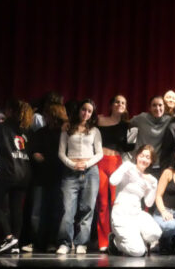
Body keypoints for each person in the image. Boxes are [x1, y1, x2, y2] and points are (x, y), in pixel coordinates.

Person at [57, 99, 103, 255]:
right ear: (79, 110)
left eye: (89, 111)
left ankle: (81, 243)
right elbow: (61, 152)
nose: (86, 113)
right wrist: (72, 164)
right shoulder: (67, 128)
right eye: (84, 109)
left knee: (87, 209)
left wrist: (87, 164)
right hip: (70, 172)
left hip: (90, 172)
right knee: (67, 209)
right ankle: (65, 242)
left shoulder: (95, 130)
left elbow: (99, 153)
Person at [0, 99, 34, 255]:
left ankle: (9, 237)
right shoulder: (27, 131)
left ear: (10, 111)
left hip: (7, 172)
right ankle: (15, 243)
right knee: (17, 209)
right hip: (24, 174)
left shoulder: (1, 128)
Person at [28, 103, 67, 253]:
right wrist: (36, 155)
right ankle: (35, 241)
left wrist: (44, 158)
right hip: (41, 176)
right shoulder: (40, 132)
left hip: (58, 176)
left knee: (55, 211)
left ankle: (51, 242)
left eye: (47, 115)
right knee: (37, 212)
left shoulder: (63, 132)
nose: (44, 117)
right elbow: (34, 152)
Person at [96, 95, 134, 253]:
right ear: (111, 105)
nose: (120, 104)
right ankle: (103, 240)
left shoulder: (127, 125)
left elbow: (128, 147)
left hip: (116, 163)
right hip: (100, 161)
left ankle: (118, 238)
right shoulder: (99, 120)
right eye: (117, 102)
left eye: (123, 102)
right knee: (102, 203)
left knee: (116, 202)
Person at [110, 144, 161, 257]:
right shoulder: (128, 167)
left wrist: (154, 185)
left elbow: (148, 203)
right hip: (121, 213)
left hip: (136, 213)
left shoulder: (150, 179)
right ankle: (115, 242)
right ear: (137, 156)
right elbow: (112, 181)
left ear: (151, 161)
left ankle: (136, 239)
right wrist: (125, 167)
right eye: (142, 156)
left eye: (148, 157)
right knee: (138, 251)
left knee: (155, 233)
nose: (144, 159)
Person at [129, 95, 172, 179]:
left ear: (164, 107)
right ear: (149, 108)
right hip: (140, 164)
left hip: (157, 167)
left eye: (160, 105)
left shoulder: (169, 120)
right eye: (154, 105)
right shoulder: (141, 118)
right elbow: (126, 124)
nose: (157, 108)